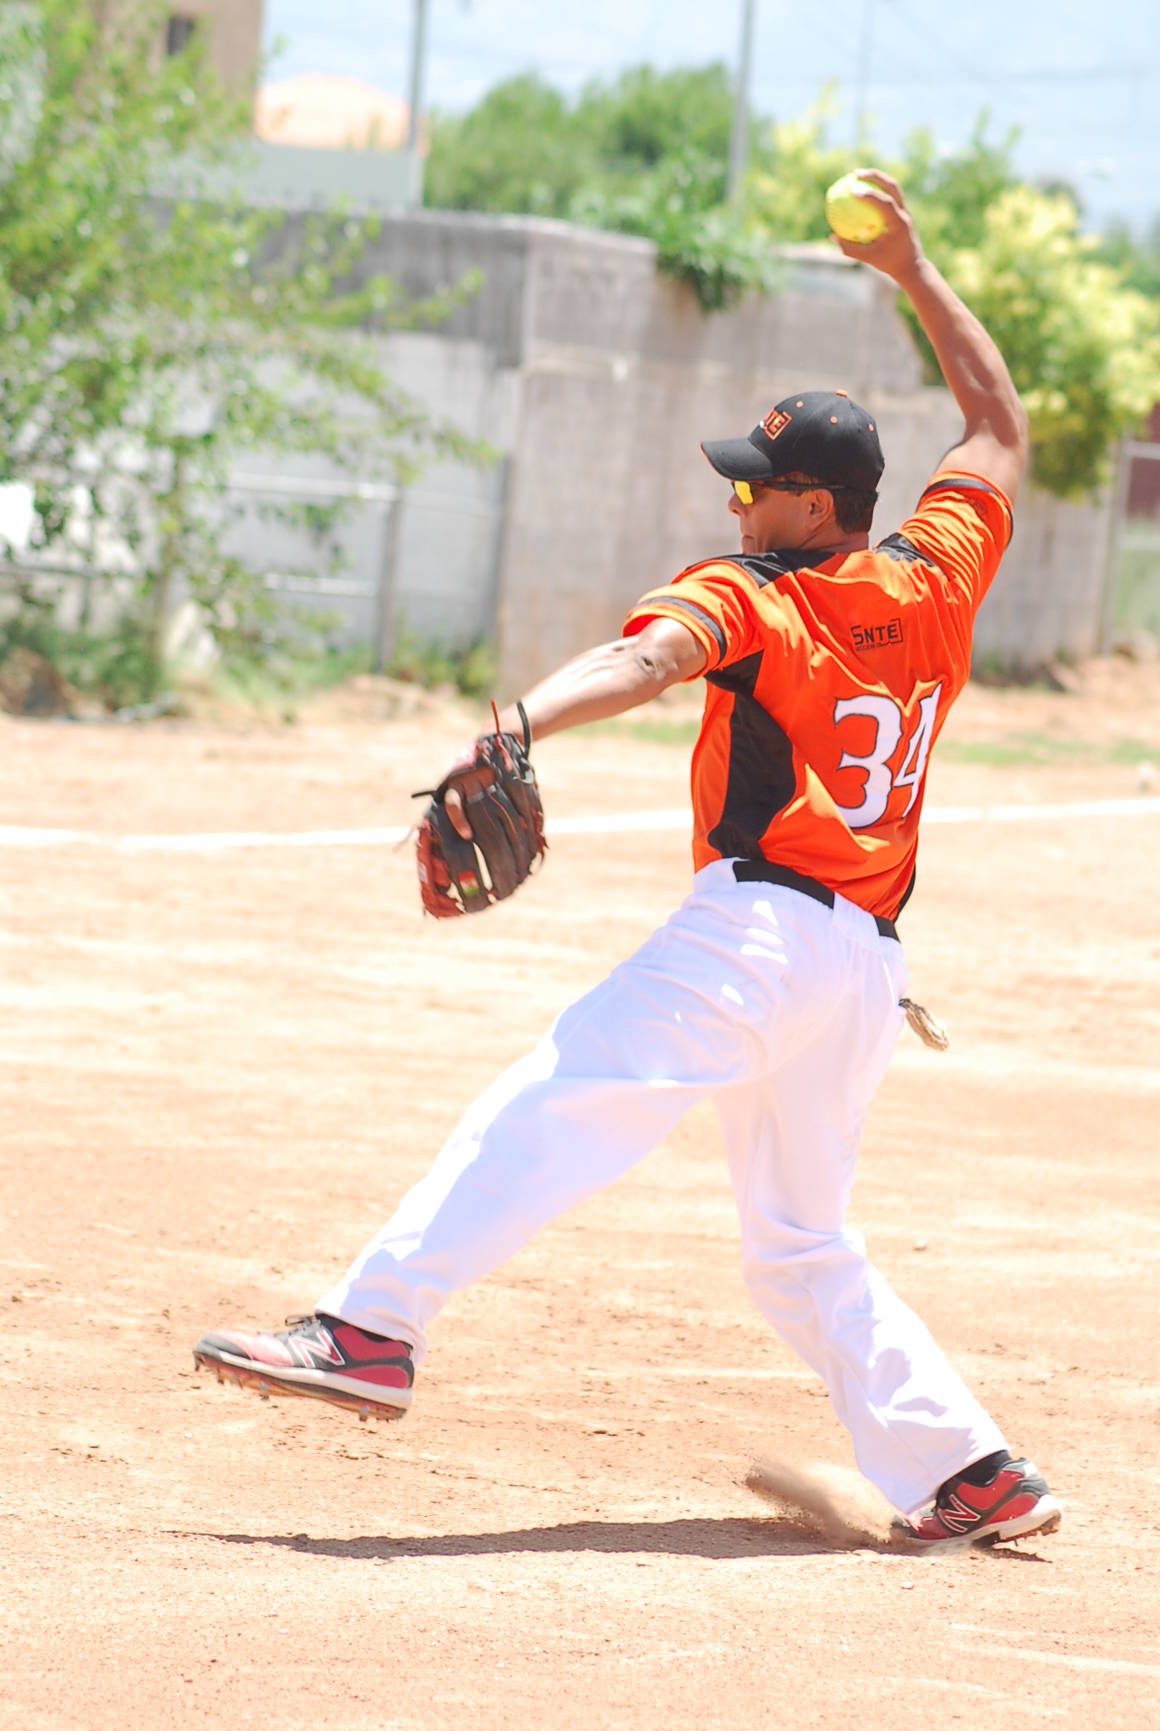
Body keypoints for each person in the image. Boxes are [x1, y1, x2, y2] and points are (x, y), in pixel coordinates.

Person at [195, 171, 1061, 1548]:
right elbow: (999, 424)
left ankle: (371, 1328)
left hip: (760, 936)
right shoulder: (937, 577)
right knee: (799, 1246)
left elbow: (647, 658)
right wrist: (912, 268)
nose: (738, 505)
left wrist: (519, 722)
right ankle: (972, 1469)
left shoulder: (757, 597)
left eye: (757, 488)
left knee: (568, 1088)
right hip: (860, 972)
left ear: (816, 505)